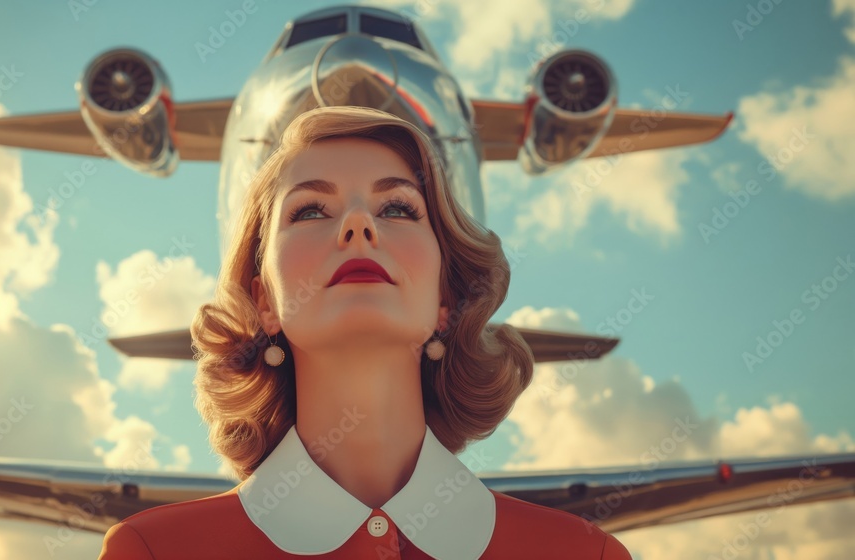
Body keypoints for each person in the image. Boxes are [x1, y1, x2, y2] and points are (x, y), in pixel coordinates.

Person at [97, 106, 632, 559]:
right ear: (264, 302)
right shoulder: (153, 551)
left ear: (447, 297)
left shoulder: (586, 554)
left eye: (397, 207)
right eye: (310, 211)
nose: (358, 225)